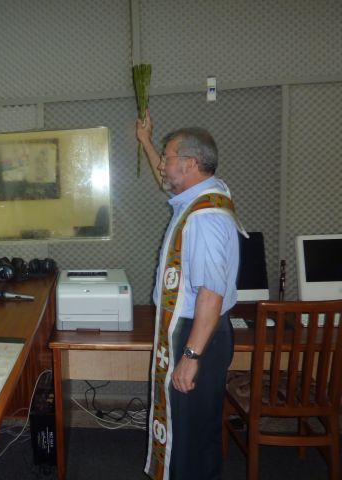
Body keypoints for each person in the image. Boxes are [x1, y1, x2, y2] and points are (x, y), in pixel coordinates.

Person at [136, 111, 245, 480]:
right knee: (190, 430)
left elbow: (211, 294)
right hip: (197, 329)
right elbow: (165, 179)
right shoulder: (203, 197)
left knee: (189, 436)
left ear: (191, 163)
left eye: (167, 158)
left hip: (198, 332)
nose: (162, 166)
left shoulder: (204, 218)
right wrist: (146, 141)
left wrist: (191, 356)